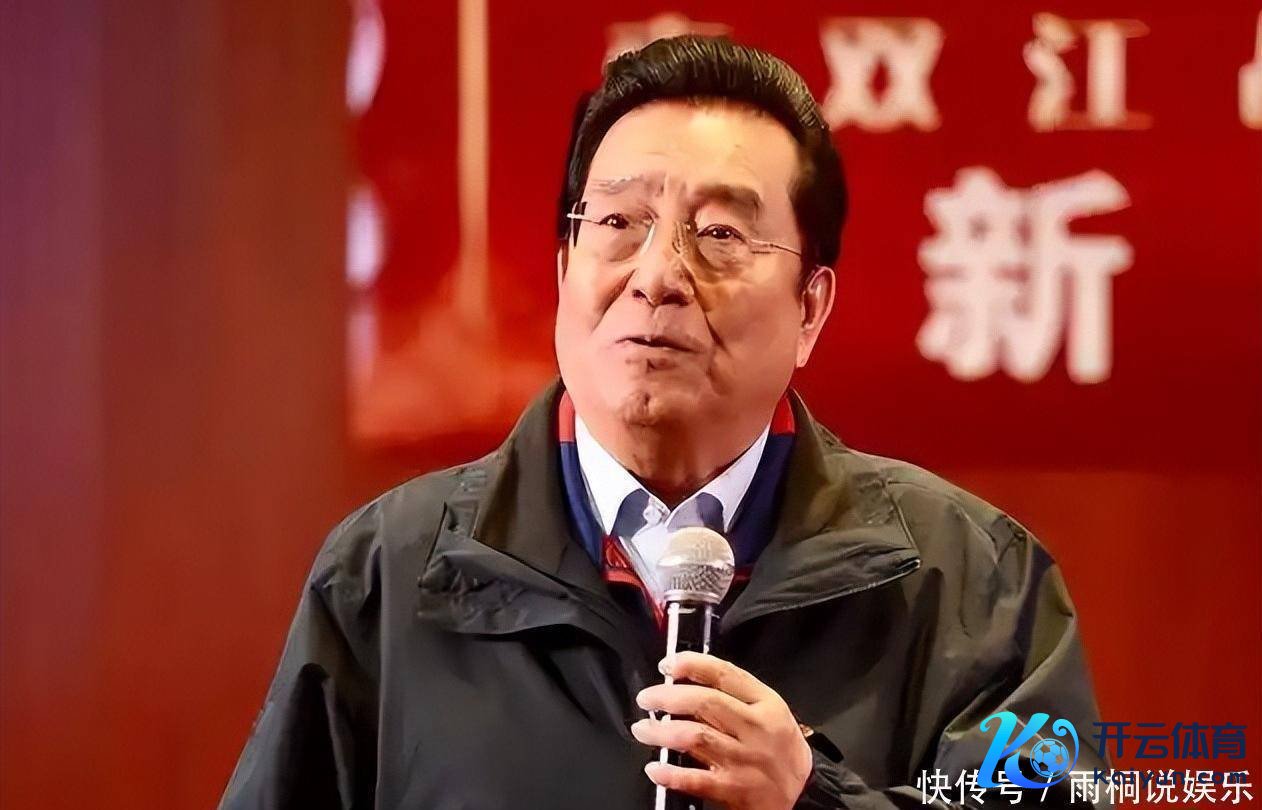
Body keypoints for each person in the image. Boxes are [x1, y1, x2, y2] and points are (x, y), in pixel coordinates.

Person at [221, 36, 1107, 809]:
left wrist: (812, 798)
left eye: (719, 234)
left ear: (810, 308)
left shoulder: (973, 587)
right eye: (618, 221)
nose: (657, 277)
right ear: (565, 268)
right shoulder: (387, 578)